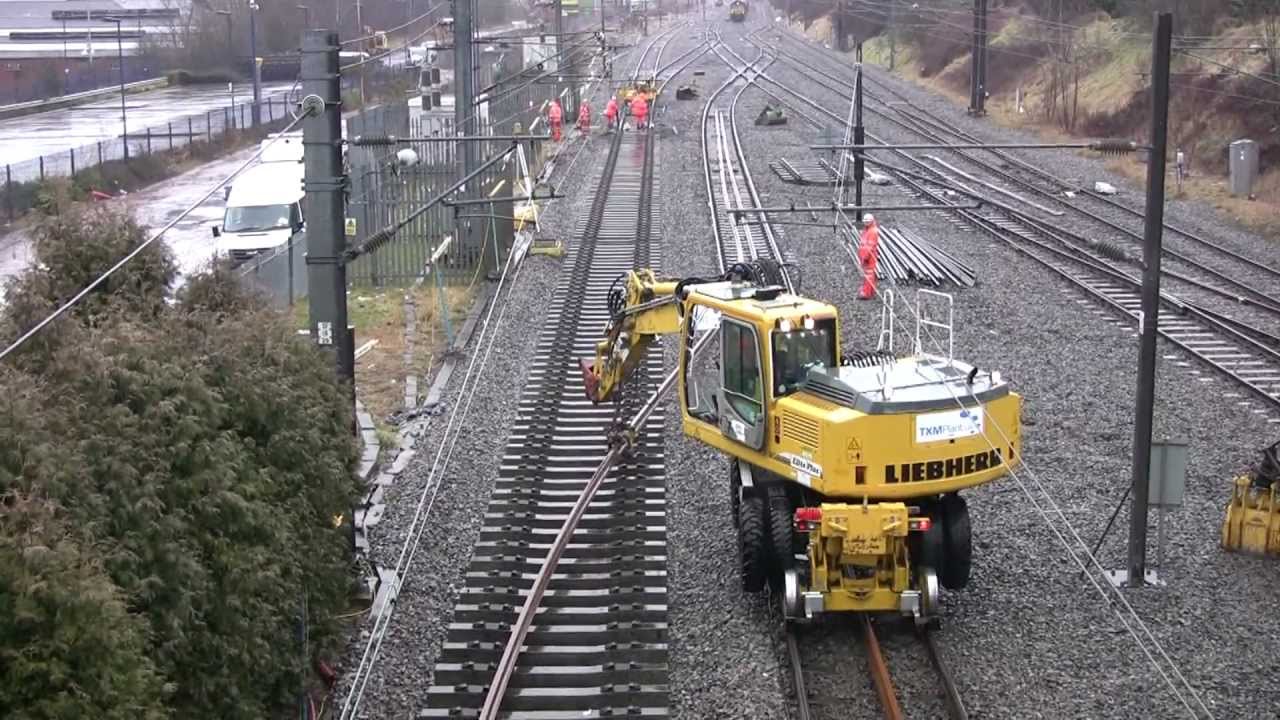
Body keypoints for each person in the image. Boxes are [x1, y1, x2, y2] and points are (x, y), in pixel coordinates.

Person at [857, 213, 880, 299]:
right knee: (868, 274)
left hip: (870, 256)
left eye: (867, 221)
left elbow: (870, 246)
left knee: (869, 274)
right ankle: (870, 291)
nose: (866, 223)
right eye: (865, 221)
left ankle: (866, 293)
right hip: (865, 255)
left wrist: (865, 257)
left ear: (871, 221)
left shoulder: (873, 231)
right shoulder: (866, 230)